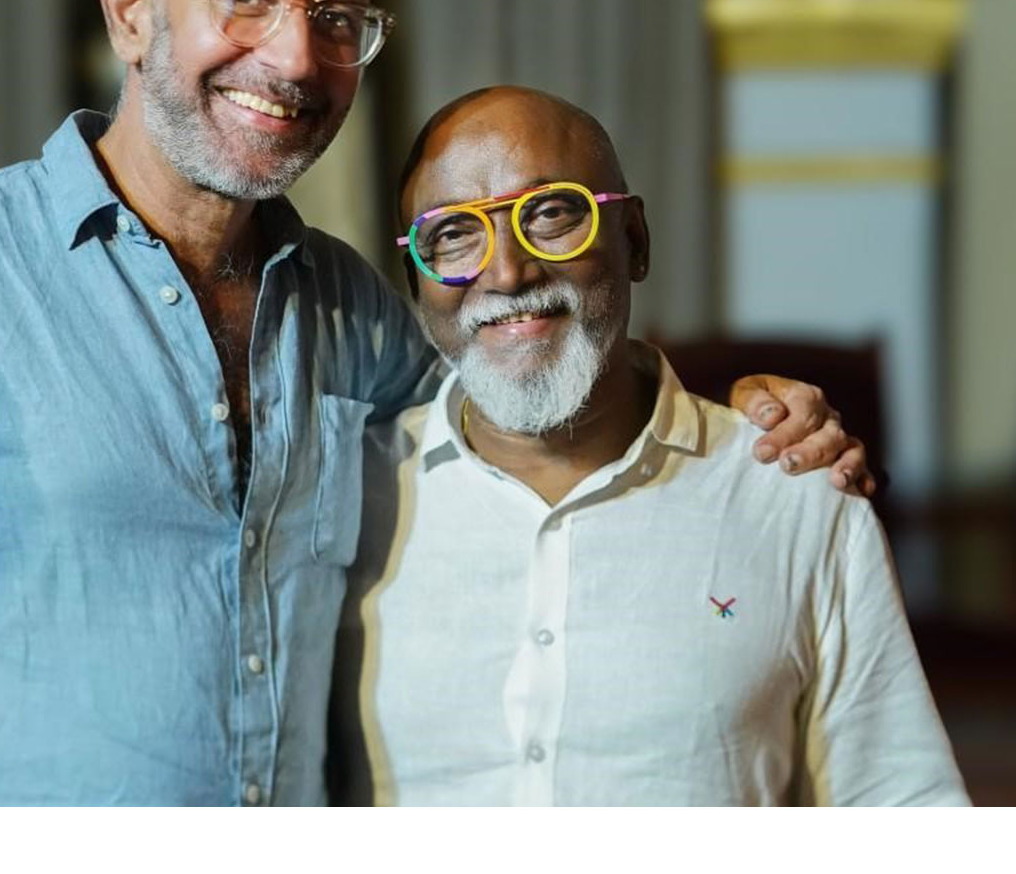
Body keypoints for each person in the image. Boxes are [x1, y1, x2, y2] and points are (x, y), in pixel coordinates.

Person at [0, 0, 870, 806]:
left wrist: (744, 415)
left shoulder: (351, 311)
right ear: (132, 12)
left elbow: (533, 402)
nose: (295, 57)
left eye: (337, 16)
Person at [330, 86, 968, 806]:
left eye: (550, 214)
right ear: (415, 280)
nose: (507, 272)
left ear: (634, 240)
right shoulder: (342, 494)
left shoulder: (792, 496)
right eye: (453, 233)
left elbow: (899, 800)